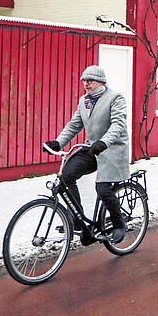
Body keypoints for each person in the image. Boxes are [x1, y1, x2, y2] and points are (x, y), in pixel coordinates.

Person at [44, 65, 130, 245]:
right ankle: (79, 219)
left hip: (112, 149)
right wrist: (58, 142)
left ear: (101, 81)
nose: (86, 83)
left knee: (103, 189)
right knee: (66, 177)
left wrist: (104, 142)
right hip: (92, 149)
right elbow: (74, 125)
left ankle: (118, 223)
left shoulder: (115, 97)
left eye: (89, 80)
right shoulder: (84, 101)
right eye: (84, 80)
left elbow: (118, 125)